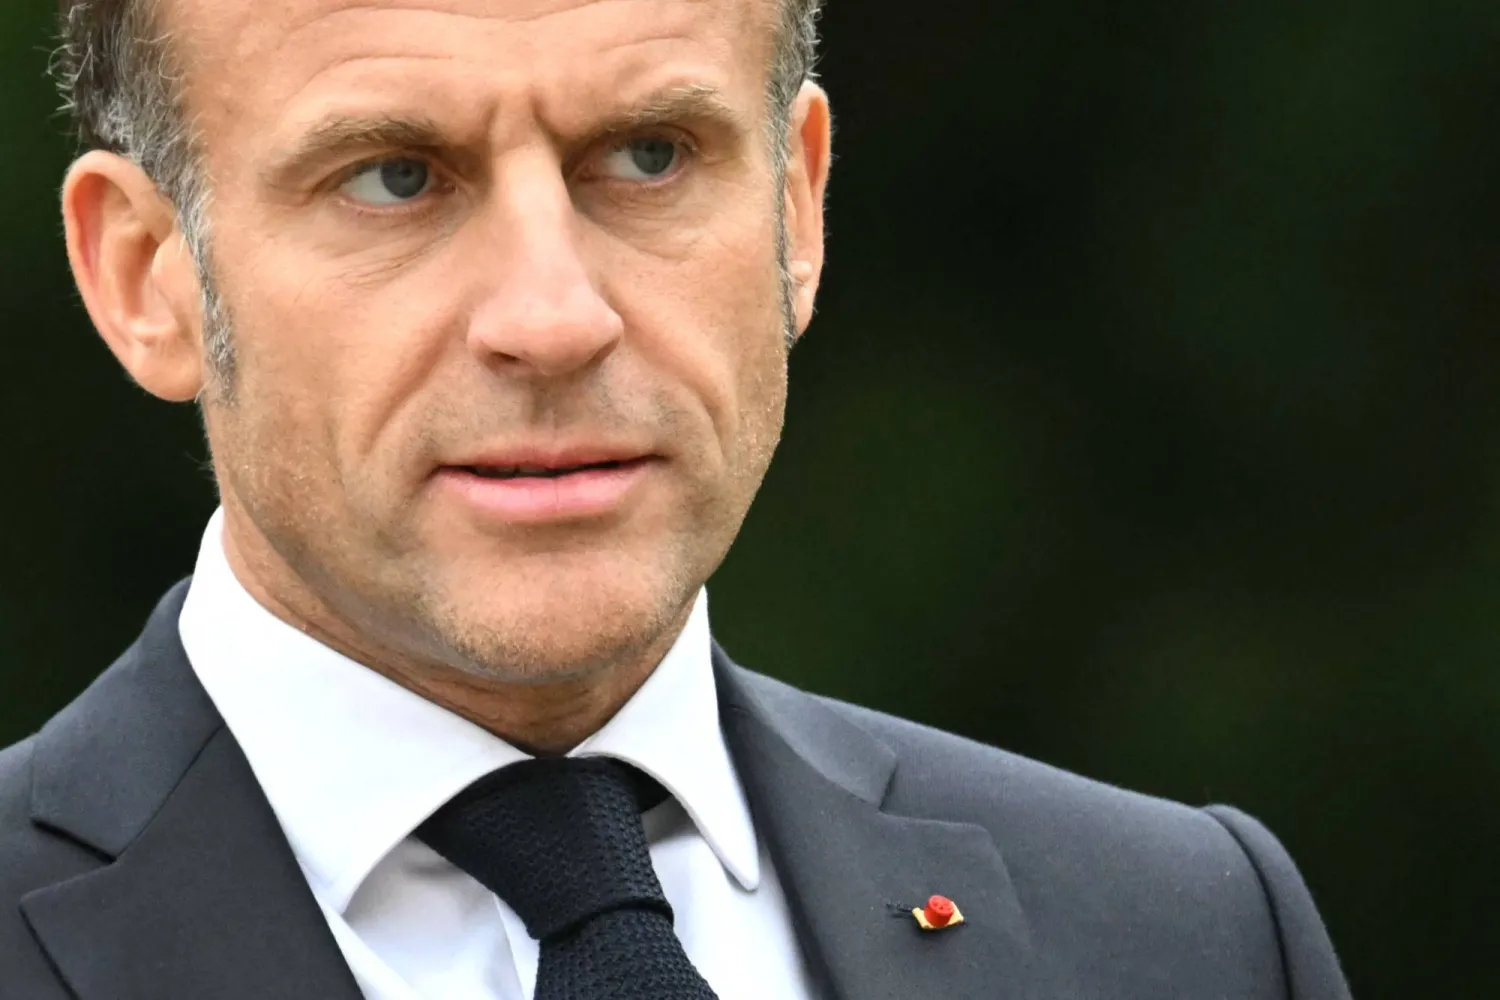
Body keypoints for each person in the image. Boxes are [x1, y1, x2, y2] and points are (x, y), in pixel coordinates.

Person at [0, 0, 1352, 997]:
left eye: (649, 156)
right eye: (395, 178)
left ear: (799, 213)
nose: (555, 316)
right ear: (146, 275)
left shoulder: (1186, 937)